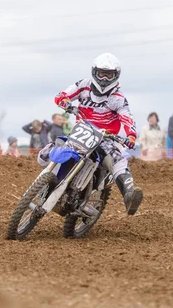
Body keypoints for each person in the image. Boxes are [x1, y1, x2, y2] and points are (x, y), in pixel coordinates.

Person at [40, 53, 143, 215]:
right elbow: (62, 95)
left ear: (116, 76)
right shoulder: (84, 85)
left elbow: (127, 117)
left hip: (105, 138)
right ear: (95, 72)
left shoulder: (117, 98)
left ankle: (129, 195)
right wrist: (64, 101)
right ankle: (46, 180)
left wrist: (131, 135)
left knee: (117, 159)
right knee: (53, 148)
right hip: (82, 131)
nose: (105, 78)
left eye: (109, 75)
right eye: (102, 73)